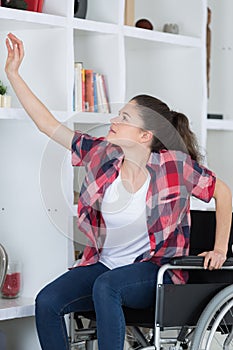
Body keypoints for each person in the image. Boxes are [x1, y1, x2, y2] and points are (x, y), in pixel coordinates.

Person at [5, 33, 232, 350]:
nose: (113, 119)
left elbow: (223, 193)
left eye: (123, 118)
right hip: (105, 266)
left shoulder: (175, 167)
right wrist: (13, 74)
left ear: (144, 135)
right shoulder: (102, 155)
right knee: (48, 301)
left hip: (156, 272)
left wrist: (220, 248)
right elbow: (47, 124)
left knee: (106, 286)